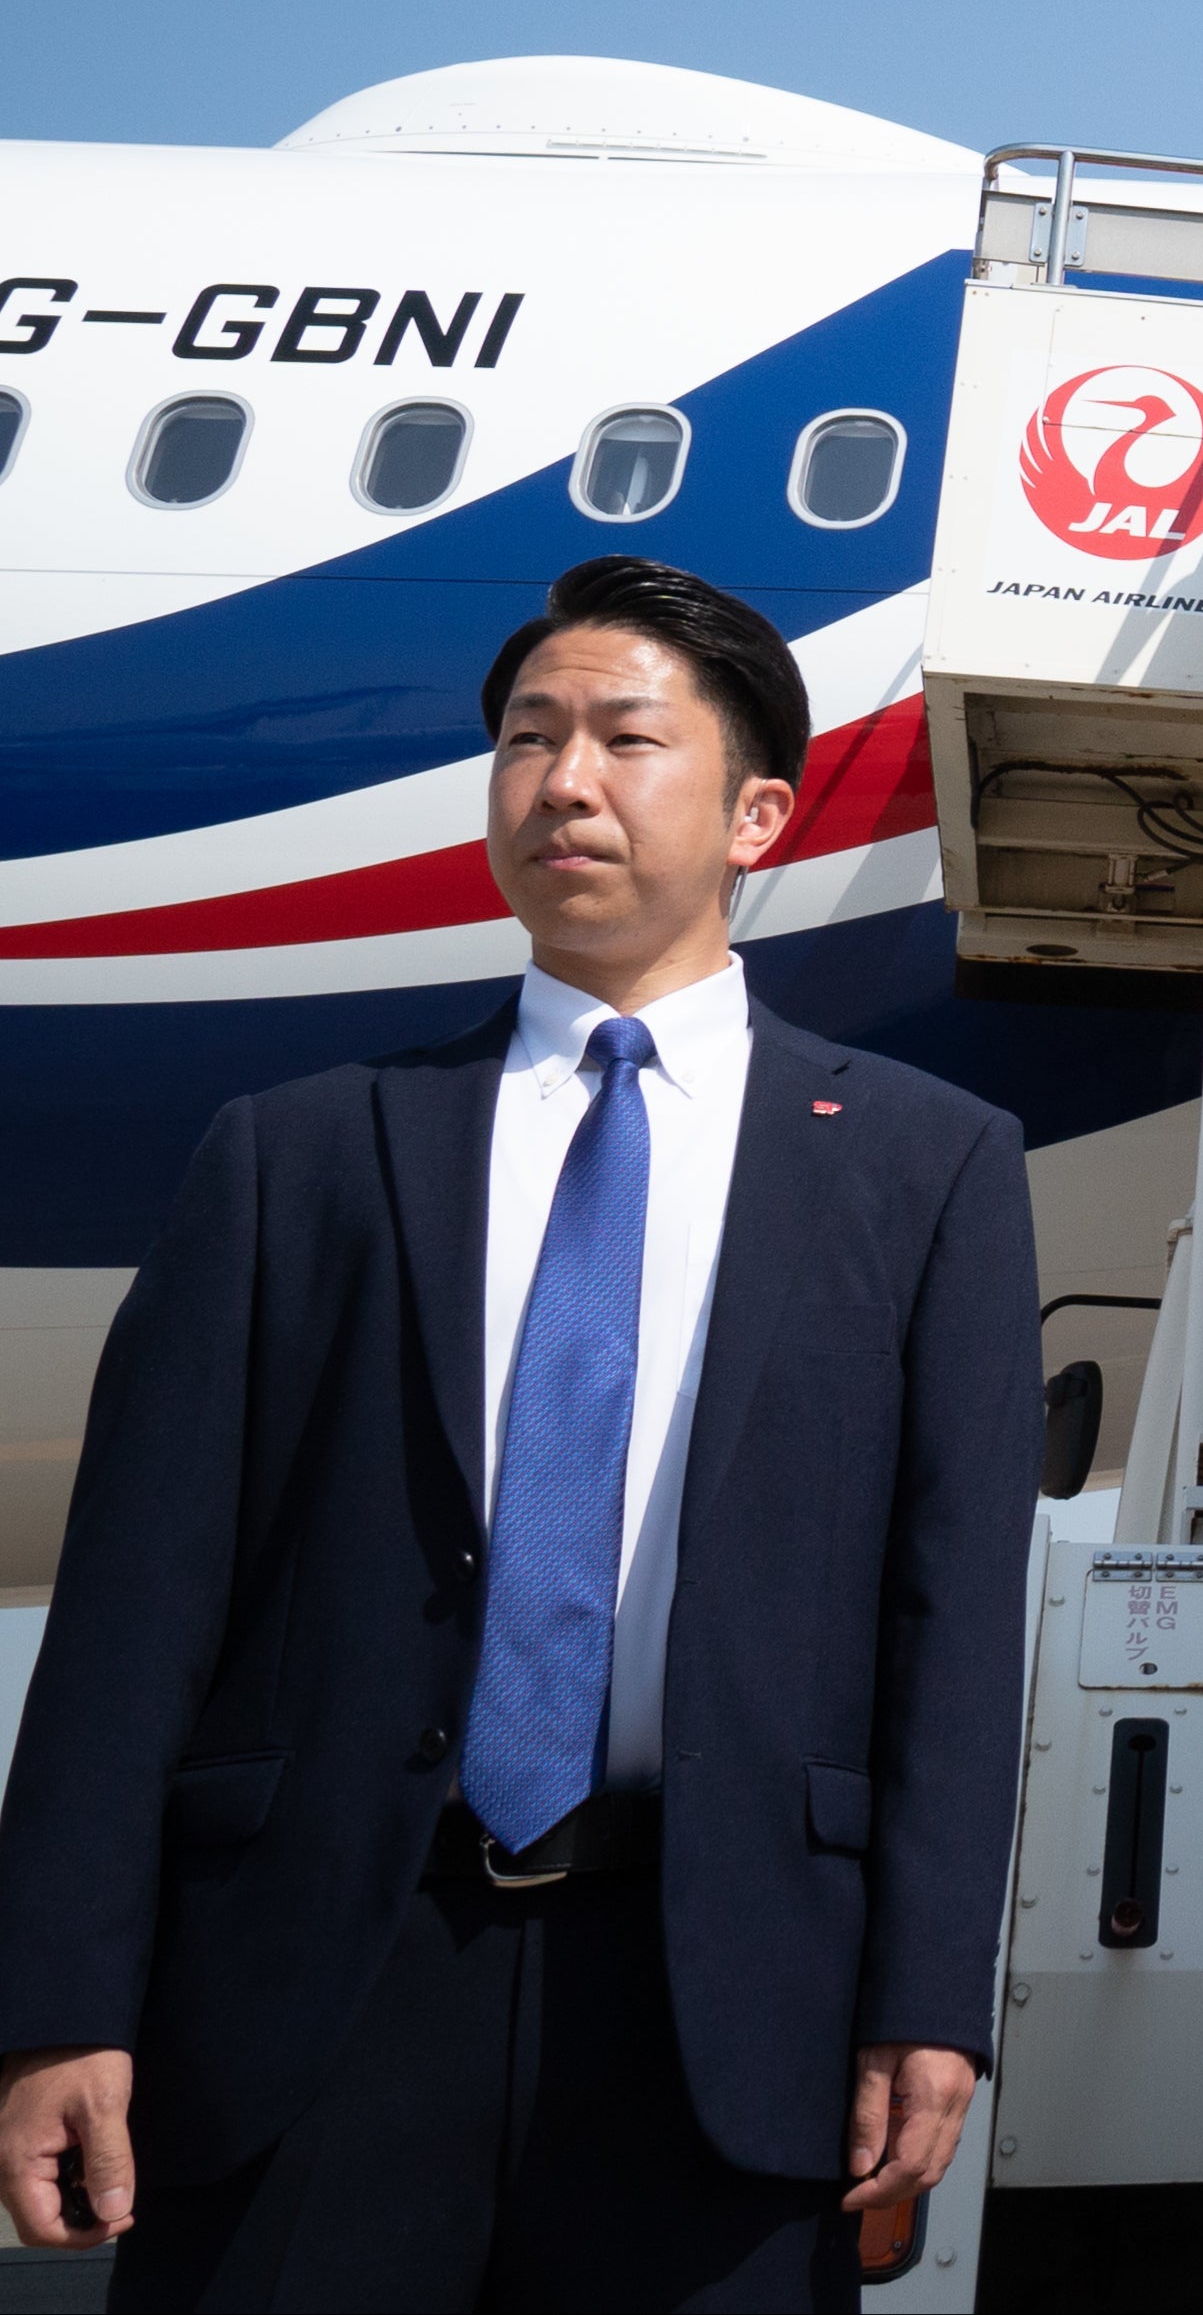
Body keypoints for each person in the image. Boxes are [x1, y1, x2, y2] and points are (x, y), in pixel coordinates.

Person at [0, 557, 1041, 2310]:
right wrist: (57, 2003)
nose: (563, 780)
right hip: (316, 1984)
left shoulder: (926, 1168)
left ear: (758, 812)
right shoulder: (302, 1153)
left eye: (628, 738)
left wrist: (927, 1997)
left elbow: (948, 1628)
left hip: (723, 1995)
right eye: (528, 738)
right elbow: (130, 1614)